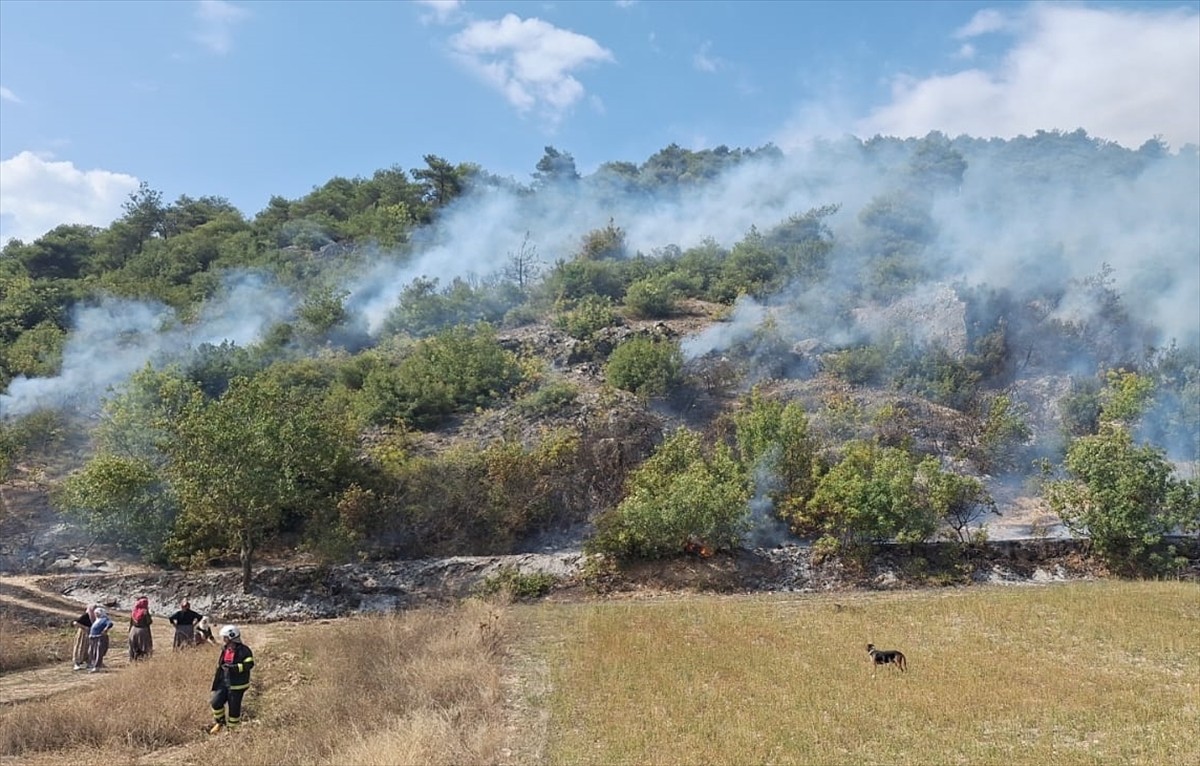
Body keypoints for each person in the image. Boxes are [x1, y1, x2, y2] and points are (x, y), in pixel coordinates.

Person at [209, 624, 254, 734]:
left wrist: (234, 668)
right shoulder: (225, 649)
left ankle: (233, 731)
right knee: (215, 702)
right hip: (224, 682)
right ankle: (220, 723)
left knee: (234, 709)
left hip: (237, 684)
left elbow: (249, 664)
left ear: (231, 637)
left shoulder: (244, 650)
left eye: (225, 638)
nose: (223, 640)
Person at [71, 604, 97, 671]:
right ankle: (76, 663)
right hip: (83, 634)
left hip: (89, 635)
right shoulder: (86, 616)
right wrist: (84, 628)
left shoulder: (94, 617)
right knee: (80, 647)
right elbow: (75, 623)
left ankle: (87, 661)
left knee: (88, 648)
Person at [87, 607, 113, 672]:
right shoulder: (97, 620)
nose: (96, 614)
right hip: (93, 638)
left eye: (97, 613)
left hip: (100, 637)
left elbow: (110, 623)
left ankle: (97, 666)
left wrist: (105, 629)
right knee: (91, 652)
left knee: (98, 652)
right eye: (95, 613)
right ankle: (93, 664)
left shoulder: (104, 619)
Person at [128, 596, 154, 661]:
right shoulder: (144, 612)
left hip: (133, 630)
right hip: (142, 631)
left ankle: (132, 659)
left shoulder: (134, 611)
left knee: (133, 647)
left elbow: (131, 622)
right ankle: (143, 660)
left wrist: (129, 632)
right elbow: (149, 622)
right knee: (144, 647)